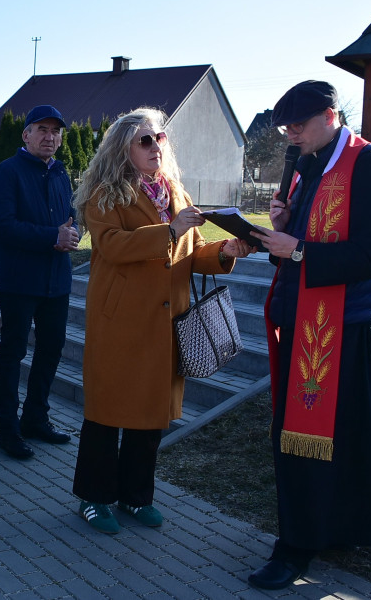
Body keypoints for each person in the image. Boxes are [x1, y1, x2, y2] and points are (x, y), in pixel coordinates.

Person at [68, 107, 253, 535]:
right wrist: (169, 230)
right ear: (123, 149)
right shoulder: (104, 193)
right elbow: (112, 246)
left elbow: (194, 250)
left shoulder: (175, 191)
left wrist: (225, 252)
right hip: (121, 323)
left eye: (160, 139)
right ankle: (94, 498)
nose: (156, 147)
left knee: (150, 416)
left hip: (168, 323)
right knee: (106, 414)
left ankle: (136, 497)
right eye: (145, 141)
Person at [247, 81, 371, 590]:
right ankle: (314, 531)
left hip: (346, 330)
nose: (291, 136)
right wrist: (282, 230)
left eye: (298, 126)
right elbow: (297, 247)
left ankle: (296, 549)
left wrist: (298, 250)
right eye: (286, 128)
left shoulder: (370, 166)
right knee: (300, 441)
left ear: (330, 116)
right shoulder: (308, 165)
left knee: (326, 441)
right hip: (304, 320)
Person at [0, 105, 78, 460]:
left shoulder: (61, 173)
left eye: (55, 131)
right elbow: (1, 226)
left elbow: (69, 217)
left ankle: (35, 418)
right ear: (26, 134)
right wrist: (51, 238)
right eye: (42, 129)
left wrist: (73, 231)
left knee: (51, 349)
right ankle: (8, 429)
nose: (49, 137)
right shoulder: (6, 172)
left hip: (57, 280)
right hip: (21, 280)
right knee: (13, 353)